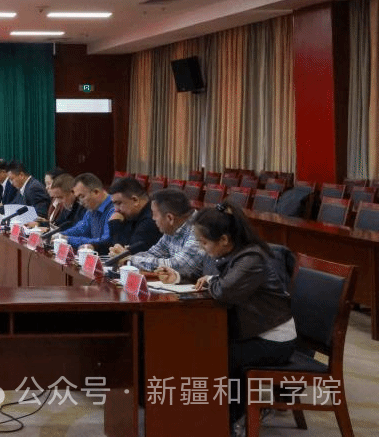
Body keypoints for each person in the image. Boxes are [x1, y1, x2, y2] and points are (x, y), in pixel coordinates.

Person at [184, 203, 295, 435]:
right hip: (253, 331)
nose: (202, 249)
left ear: (224, 240)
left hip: (273, 340)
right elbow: (221, 282)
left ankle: (230, 421)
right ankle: (220, 417)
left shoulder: (252, 258)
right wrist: (211, 278)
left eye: (204, 243)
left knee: (216, 358)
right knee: (202, 348)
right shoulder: (237, 253)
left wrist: (212, 280)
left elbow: (224, 291)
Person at [130, 189, 206, 283]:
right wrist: (123, 258)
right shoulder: (172, 228)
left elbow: (178, 266)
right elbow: (153, 253)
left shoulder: (200, 229)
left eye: (154, 214)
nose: (153, 218)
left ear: (170, 218)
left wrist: (130, 260)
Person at [101, 177, 162, 256]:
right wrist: (93, 246)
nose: (116, 209)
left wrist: (116, 224)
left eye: (119, 203)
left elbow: (124, 253)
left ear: (135, 200)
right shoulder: (133, 215)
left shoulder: (151, 220)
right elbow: (112, 243)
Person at [61, 173, 114, 250]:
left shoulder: (114, 209)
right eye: (78, 198)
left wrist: (67, 239)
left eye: (82, 196)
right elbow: (81, 228)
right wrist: (59, 235)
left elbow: (104, 241)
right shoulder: (92, 208)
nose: (81, 203)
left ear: (96, 192)